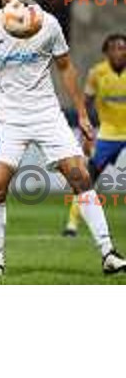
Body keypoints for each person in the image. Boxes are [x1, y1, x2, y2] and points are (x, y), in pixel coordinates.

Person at [0, 0, 126, 279]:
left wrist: (83, 114)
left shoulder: (48, 23)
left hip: (47, 113)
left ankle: (108, 253)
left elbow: (65, 68)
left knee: (80, 175)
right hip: (8, 120)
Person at [63, 34, 126, 236]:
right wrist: (87, 136)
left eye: (123, 48)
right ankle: (72, 225)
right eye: (115, 48)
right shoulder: (97, 73)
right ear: (106, 52)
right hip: (107, 135)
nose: (120, 52)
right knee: (86, 179)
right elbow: (86, 104)